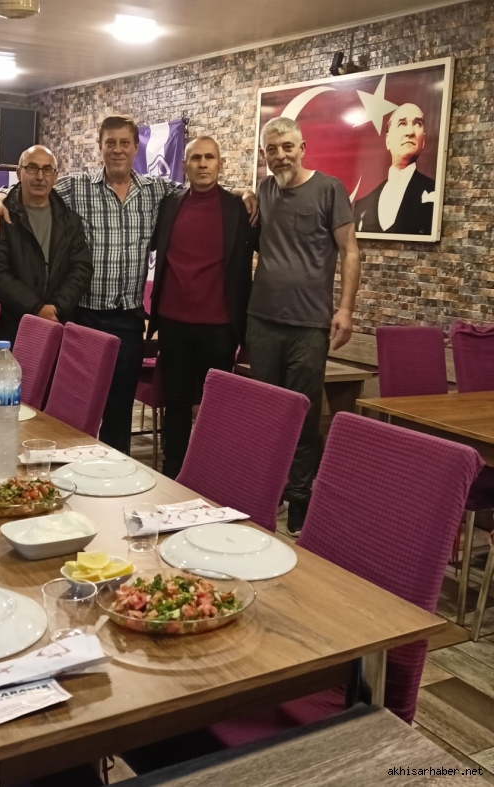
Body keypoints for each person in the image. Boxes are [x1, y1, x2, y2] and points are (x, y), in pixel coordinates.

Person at [0, 115, 257, 455]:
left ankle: (115, 470)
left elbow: (202, 188)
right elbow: (35, 184)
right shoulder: (76, 187)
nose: (117, 150)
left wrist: (242, 191)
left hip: (128, 319)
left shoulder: (157, 191)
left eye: (124, 143)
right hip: (83, 316)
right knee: (74, 405)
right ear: (100, 147)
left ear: (135, 147)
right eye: (110, 143)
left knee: (119, 409)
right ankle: (70, 466)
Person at [248, 116, 360, 535]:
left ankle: (299, 499)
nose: (280, 156)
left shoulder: (330, 189)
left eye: (287, 147)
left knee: (304, 414)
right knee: (266, 413)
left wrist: (345, 309)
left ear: (302, 148)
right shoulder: (263, 190)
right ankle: (267, 491)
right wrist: (245, 194)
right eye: (272, 150)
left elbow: (350, 251)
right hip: (261, 320)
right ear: (264, 154)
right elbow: (247, 207)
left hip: (310, 324)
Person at [147, 136, 257, 479]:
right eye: (196, 158)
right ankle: (173, 470)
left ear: (220, 164)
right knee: (177, 402)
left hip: (220, 326)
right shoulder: (169, 204)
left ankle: (210, 472)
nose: (203, 164)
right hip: (173, 323)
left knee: (215, 404)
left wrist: (245, 192)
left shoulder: (238, 209)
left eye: (210, 157)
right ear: (184, 166)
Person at [0, 145, 93, 348]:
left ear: (55, 177)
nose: (40, 176)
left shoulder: (70, 221)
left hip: (56, 325)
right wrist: (36, 308)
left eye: (47, 170)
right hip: (9, 331)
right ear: (19, 173)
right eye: (32, 168)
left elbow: (81, 269)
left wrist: (56, 308)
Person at [353, 103, 436, 235]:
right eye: (402, 124)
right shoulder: (363, 205)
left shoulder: (435, 192)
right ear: (388, 141)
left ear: (424, 141)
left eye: (417, 124)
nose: (410, 132)